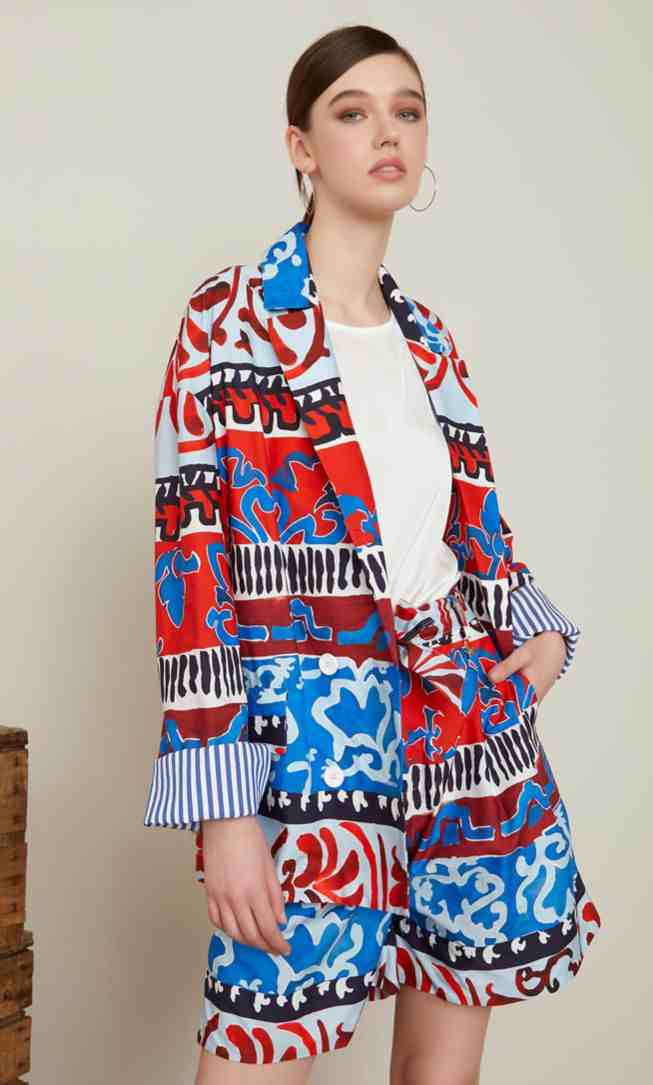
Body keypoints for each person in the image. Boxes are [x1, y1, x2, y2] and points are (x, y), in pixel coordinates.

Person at [143, 24, 602, 1085]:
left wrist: (537, 634)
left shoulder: (429, 340)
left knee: (442, 1073)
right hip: (309, 745)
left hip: (463, 728)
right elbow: (190, 568)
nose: (387, 133)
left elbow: (470, 533)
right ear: (301, 147)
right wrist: (227, 810)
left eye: (407, 110)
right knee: (263, 1044)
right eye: (352, 112)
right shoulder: (227, 322)